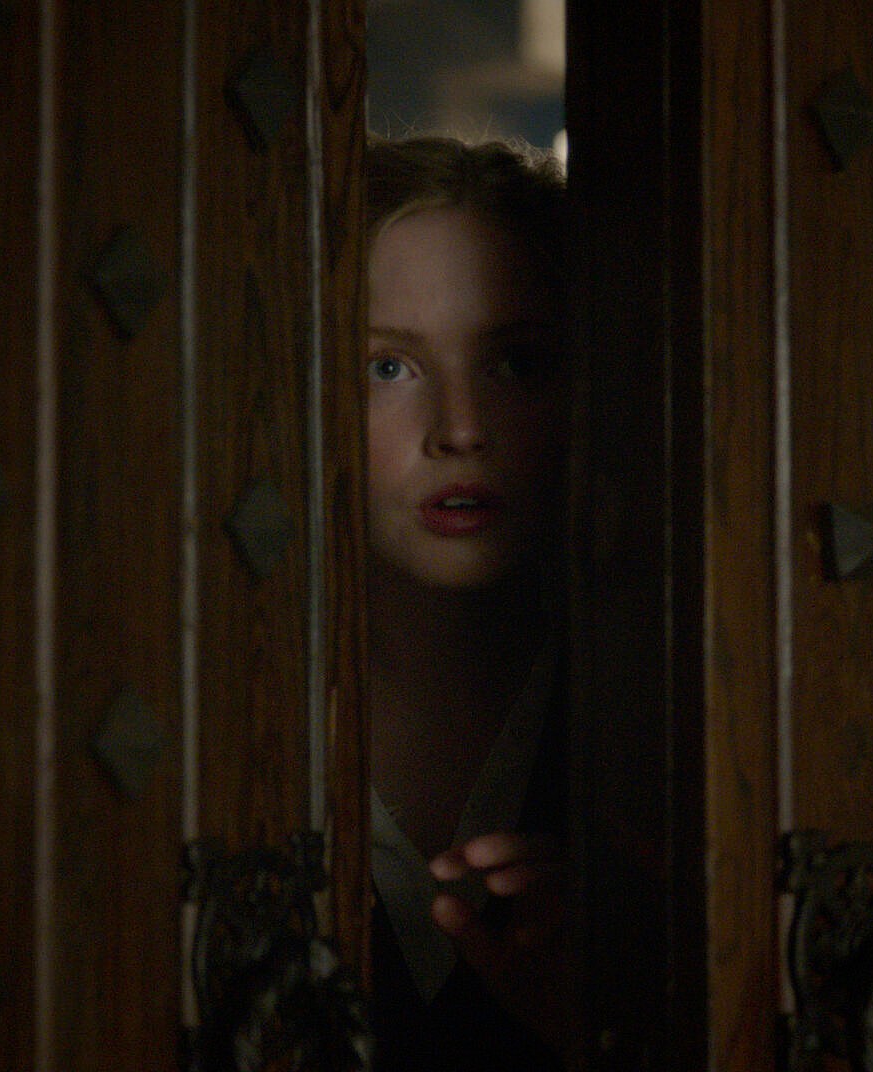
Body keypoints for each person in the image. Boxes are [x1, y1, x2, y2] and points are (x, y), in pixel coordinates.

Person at [361, 135, 571, 1070]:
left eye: (514, 364)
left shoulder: (671, 711)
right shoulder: (224, 720)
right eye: (388, 367)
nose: (460, 429)